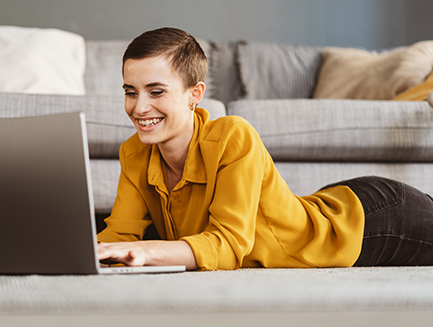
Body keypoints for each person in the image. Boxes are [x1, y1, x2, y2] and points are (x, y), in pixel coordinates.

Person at [96, 27, 433, 270]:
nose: (139, 108)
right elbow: (118, 235)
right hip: (323, 204)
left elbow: (228, 246)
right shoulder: (135, 152)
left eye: (156, 92)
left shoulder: (232, 136)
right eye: (130, 91)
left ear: (194, 94)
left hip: (369, 223)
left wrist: (145, 252)